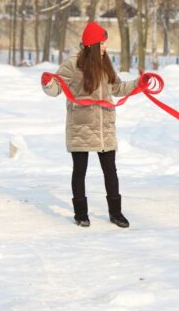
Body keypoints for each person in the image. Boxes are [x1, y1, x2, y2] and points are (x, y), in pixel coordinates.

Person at [41, 22, 145, 228]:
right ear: (91, 44)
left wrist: (139, 83)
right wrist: (47, 84)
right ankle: (81, 214)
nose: (105, 46)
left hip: (104, 127)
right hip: (81, 127)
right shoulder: (72, 64)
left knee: (111, 171)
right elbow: (56, 89)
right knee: (79, 171)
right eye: (102, 43)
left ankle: (116, 213)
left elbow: (117, 88)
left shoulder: (106, 63)